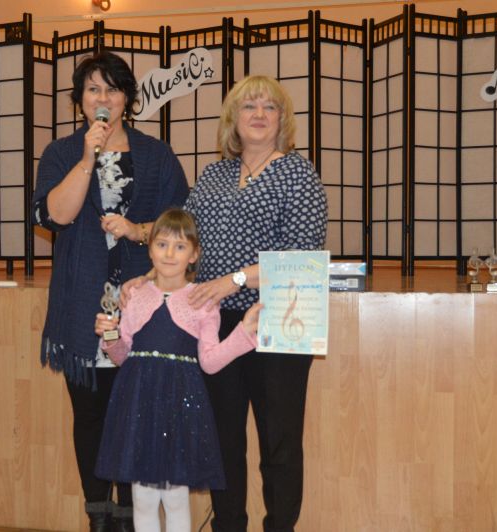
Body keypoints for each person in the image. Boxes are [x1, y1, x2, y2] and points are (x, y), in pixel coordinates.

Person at [32, 51, 189, 531]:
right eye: (93, 89)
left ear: (127, 98)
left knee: (135, 417)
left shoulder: (156, 154)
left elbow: (181, 224)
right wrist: (88, 158)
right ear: (80, 100)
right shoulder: (61, 153)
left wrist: (138, 231)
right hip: (82, 304)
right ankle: (99, 516)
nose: (103, 98)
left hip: (143, 303)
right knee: (90, 416)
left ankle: (130, 516)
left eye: (113, 89)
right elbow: (54, 216)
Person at [185, 76, 328, 532]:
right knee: (224, 440)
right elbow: (184, 240)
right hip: (217, 322)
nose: (260, 114)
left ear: (283, 119)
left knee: (279, 442)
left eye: (270, 106)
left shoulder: (299, 174)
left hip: (278, 317)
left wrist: (234, 280)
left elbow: (302, 258)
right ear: (233, 118)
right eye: (249, 106)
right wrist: (147, 276)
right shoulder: (214, 175)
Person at [93, 208, 262, 532]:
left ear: (194, 254)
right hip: (138, 403)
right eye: (162, 244)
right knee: (142, 498)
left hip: (180, 408)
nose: (169, 254)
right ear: (150, 248)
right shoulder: (134, 295)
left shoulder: (203, 300)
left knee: (175, 498)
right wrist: (109, 334)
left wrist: (244, 333)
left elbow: (210, 361)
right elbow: (122, 356)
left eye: (180, 246)